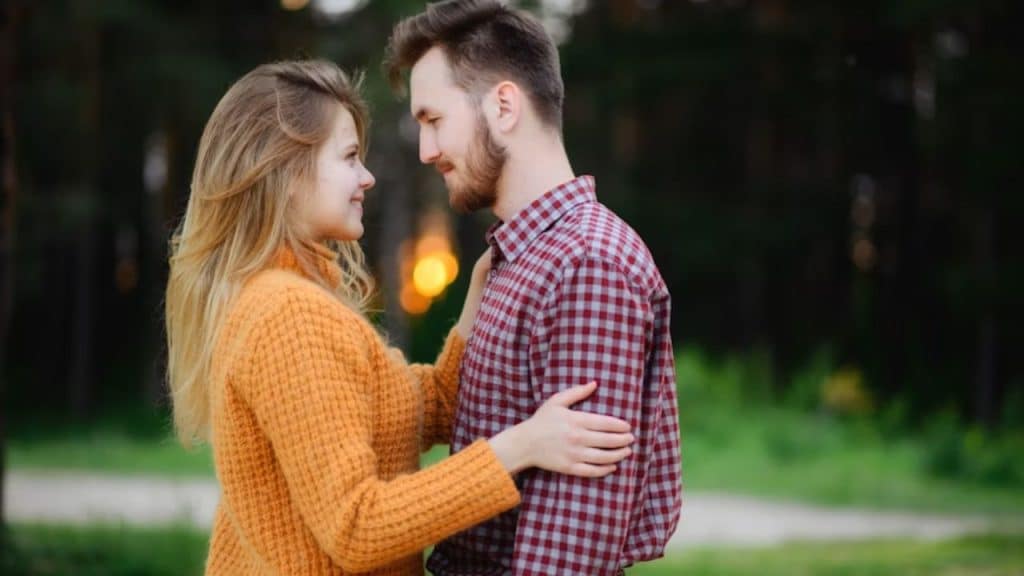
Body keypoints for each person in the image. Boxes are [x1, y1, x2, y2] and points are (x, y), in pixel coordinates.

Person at [164, 59, 636, 576]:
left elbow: (418, 409)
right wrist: (520, 448)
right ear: (286, 171)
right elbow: (357, 527)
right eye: (349, 158)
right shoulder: (288, 315)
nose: (366, 177)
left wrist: (474, 305)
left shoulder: (288, 298)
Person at [385, 1, 683, 574]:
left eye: (434, 120)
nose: (426, 151)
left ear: (502, 105)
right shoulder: (517, 260)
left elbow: (572, 545)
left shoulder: (586, 264)